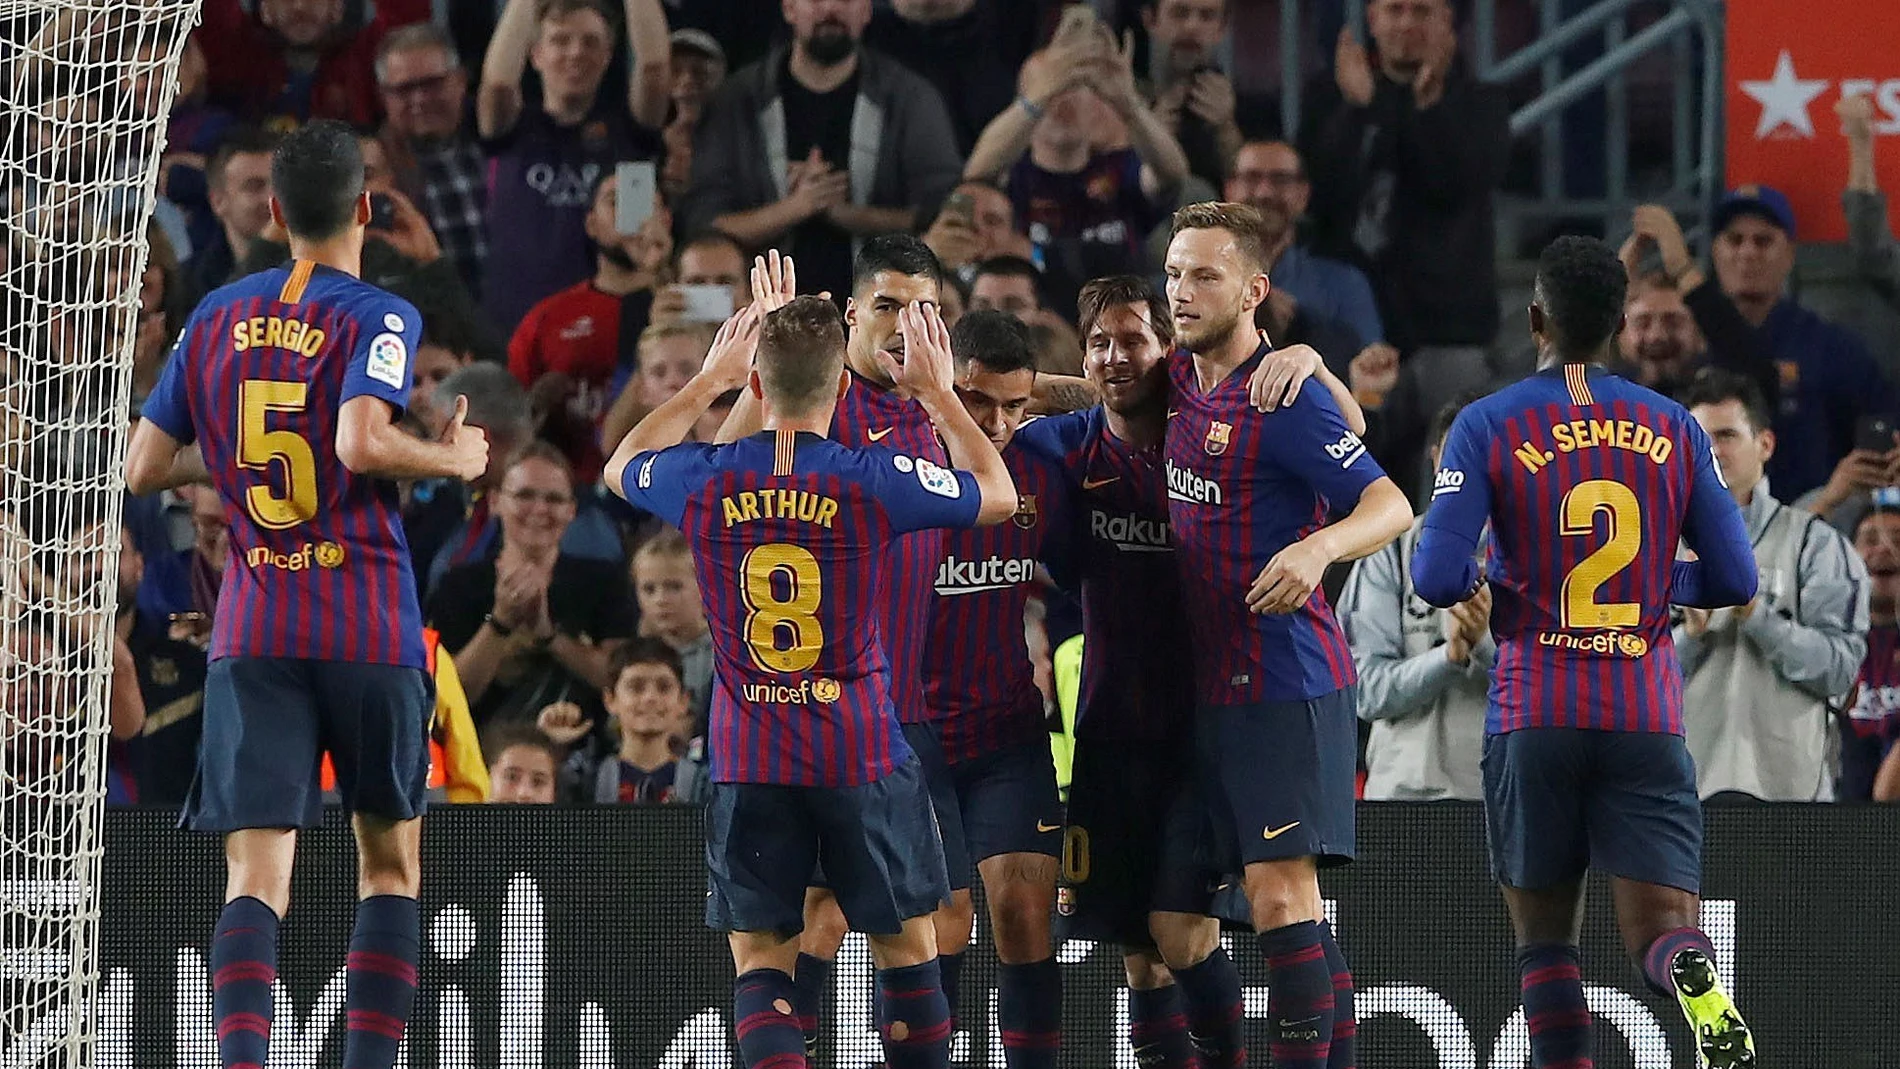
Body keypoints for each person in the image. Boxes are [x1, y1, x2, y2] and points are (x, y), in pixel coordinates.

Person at [123, 120, 489, 1069]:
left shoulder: (212, 313)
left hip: (254, 625)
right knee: (390, 866)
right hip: (366, 621)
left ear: (274, 212)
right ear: (366, 208)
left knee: (257, 875)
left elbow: (141, 466)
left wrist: (240, 469)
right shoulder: (379, 312)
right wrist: (450, 455)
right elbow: (362, 444)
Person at [605, 293, 1019, 1069]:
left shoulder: (704, 476)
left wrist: (703, 384)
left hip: (747, 753)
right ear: (839, 389)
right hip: (859, 749)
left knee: (764, 958)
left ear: (756, 385)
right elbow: (996, 494)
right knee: (906, 945)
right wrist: (938, 394)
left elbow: (619, 464)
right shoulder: (872, 476)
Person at [1412, 235, 1759, 1069]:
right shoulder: (1674, 424)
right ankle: (1693, 973)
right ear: (1617, 326)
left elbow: (1433, 572)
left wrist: (1500, 574)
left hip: (1536, 710)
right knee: (1662, 929)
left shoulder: (1486, 423)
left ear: (1535, 316)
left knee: (1547, 945)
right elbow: (1737, 573)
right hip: (1644, 711)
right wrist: (1653, 588)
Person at [1162, 202, 1412, 1069]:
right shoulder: (1180, 378)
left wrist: (1318, 547)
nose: (1182, 293)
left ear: (1254, 290)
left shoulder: (1286, 392)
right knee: (1223, 909)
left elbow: (1389, 501)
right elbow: (1099, 391)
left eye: (1205, 275)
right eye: (1173, 273)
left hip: (1286, 676)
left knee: (1277, 896)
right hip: (1206, 684)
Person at [712, 239, 962, 1057]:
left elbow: (1055, 390)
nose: (903, 325)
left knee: (915, 921)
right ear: (851, 315)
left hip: (898, 716)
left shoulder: (940, 401)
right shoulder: (814, 401)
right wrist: (761, 356)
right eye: (886, 306)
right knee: (879, 931)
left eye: (922, 309)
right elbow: (727, 460)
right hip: (846, 723)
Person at [1014, 276, 1250, 1069]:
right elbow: (988, 402)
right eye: (1100, 343)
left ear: (1169, 348)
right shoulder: (1063, 444)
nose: (1116, 357)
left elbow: (1343, 421)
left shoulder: (1209, 431)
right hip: (1110, 732)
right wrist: (1041, 385)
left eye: (1134, 340)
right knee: (1138, 951)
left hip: (1203, 732)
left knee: (1182, 934)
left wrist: (1311, 363)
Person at [916, 310, 1070, 1065]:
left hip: (1009, 735)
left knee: (1022, 910)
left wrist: (1056, 390)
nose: (1001, 423)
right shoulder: (903, 463)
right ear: (944, 383)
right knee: (944, 921)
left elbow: (1125, 400)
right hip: (917, 739)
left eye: (1017, 405)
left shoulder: (1039, 463)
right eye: (983, 403)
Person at [1676, 371, 1869, 802]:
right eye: (1697, 439)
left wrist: (1755, 614)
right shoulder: (1653, 552)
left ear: (1765, 444)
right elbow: (1620, 689)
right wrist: (1690, 636)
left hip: (1790, 801)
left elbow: (1840, 671)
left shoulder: (1815, 545)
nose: (1711, 450)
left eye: (1726, 435)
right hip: (1680, 801)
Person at [1340, 394, 1492, 802]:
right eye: (1458, 452)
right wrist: (1449, 657)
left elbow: (1554, 697)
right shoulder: (1391, 551)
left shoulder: (1540, 558)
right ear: (1436, 458)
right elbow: (1364, 692)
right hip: (1401, 799)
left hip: (1499, 803)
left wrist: (1485, 647)